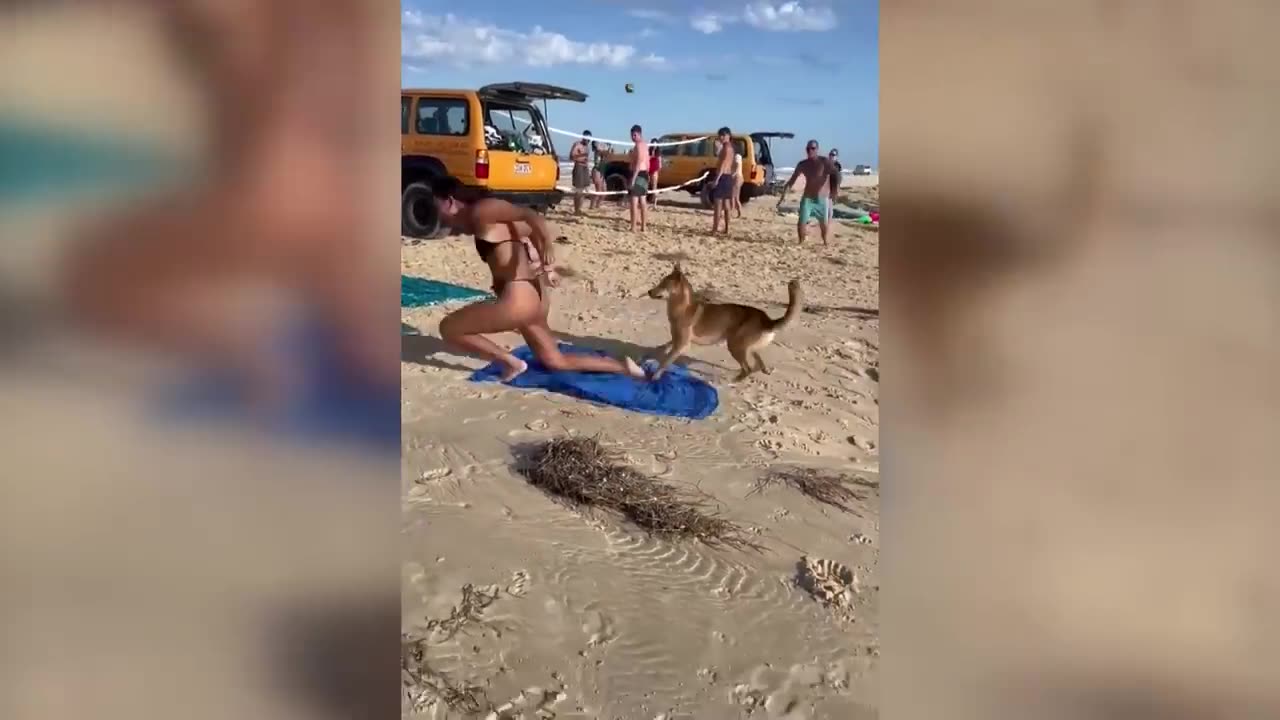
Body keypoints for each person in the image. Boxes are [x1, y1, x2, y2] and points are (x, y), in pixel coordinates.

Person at [429, 176, 645, 381]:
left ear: (449, 202)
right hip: (535, 296)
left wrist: (546, 249)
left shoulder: (481, 211)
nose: (434, 213)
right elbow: (527, 228)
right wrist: (542, 266)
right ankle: (623, 368)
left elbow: (529, 215)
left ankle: (511, 363)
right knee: (555, 360)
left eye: (435, 205)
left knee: (449, 328)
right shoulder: (485, 223)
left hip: (519, 300)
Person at [775, 139, 840, 244]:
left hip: (822, 199)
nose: (810, 151)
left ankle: (825, 242)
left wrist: (835, 191)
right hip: (808, 198)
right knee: (802, 221)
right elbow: (791, 181)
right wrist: (783, 196)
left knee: (824, 224)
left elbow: (836, 174)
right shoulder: (803, 164)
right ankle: (801, 242)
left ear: (817, 149)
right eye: (808, 149)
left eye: (812, 148)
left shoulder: (824, 162)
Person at [709, 127, 735, 235]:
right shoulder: (728, 147)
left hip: (723, 176)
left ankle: (715, 229)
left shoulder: (726, 148)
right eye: (720, 135)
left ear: (728, 135)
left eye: (723, 135)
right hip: (728, 177)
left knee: (718, 204)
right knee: (726, 204)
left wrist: (717, 179)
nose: (721, 137)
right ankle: (727, 229)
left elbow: (723, 164)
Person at [626, 125, 649, 232]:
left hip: (638, 174)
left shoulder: (639, 146)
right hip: (644, 174)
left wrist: (633, 179)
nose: (633, 137)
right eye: (632, 135)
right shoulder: (645, 145)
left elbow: (639, 163)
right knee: (643, 201)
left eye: (635, 135)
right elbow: (647, 162)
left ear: (639, 134)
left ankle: (634, 227)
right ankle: (644, 226)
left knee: (634, 202)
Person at [569, 130, 593, 215]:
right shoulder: (577, 145)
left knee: (584, 190)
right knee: (578, 190)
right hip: (578, 167)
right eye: (587, 138)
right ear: (584, 137)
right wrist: (581, 157)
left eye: (589, 139)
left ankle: (579, 209)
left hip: (585, 167)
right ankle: (576, 209)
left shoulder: (587, 147)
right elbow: (571, 156)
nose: (588, 140)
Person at [826, 148, 843, 225]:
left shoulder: (837, 167)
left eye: (833, 155)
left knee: (829, 208)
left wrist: (835, 192)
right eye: (830, 154)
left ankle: (828, 223)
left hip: (831, 190)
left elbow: (838, 181)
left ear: (836, 157)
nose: (831, 156)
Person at [589, 140, 608, 210]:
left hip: (601, 171)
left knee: (605, 192)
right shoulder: (597, 151)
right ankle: (592, 206)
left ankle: (597, 205)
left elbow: (605, 149)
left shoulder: (603, 152)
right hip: (597, 170)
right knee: (599, 190)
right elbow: (597, 146)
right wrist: (605, 146)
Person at [730, 142, 745, 218]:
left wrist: (733, 174)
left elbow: (737, 166)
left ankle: (731, 212)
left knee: (733, 196)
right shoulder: (737, 156)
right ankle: (739, 212)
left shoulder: (737, 156)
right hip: (738, 177)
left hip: (736, 177)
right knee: (736, 197)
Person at [647, 138, 662, 210]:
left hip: (654, 170)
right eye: (653, 144)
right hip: (649, 169)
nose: (654, 145)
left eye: (656, 144)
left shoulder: (658, 153)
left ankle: (655, 204)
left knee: (654, 187)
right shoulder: (649, 151)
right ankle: (646, 202)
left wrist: (657, 170)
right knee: (646, 185)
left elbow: (660, 162)